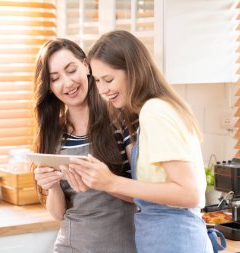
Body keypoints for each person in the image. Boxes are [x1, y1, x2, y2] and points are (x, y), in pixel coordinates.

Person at [69, 30, 215, 253]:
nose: (102, 90)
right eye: (97, 81)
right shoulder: (148, 112)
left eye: (108, 79)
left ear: (133, 71)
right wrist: (98, 181)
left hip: (174, 240)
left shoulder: (154, 111)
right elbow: (153, 190)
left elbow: (190, 193)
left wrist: (111, 182)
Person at [32, 38, 136, 253]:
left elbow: (147, 196)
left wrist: (105, 182)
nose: (67, 83)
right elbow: (59, 213)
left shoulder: (122, 122)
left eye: (71, 70)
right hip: (71, 247)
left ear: (86, 65)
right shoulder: (55, 135)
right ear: (49, 87)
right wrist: (52, 187)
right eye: (55, 78)